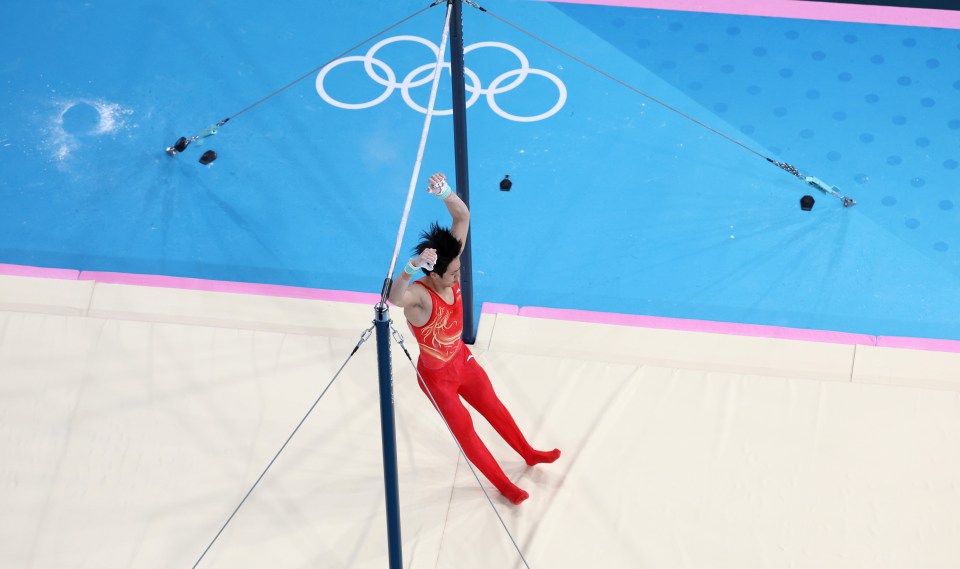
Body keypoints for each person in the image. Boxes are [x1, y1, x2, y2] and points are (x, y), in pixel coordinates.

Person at [388, 172, 560, 505]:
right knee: (467, 432)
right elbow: (394, 298)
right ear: (434, 273)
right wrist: (410, 266)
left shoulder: (447, 263)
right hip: (437, 379)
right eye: (453, 273)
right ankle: (504, 486)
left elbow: (462, 216)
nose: (459, 276)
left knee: (494, 408)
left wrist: (444, 192)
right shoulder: (420, 298)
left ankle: (528, 453)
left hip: (462, 362)